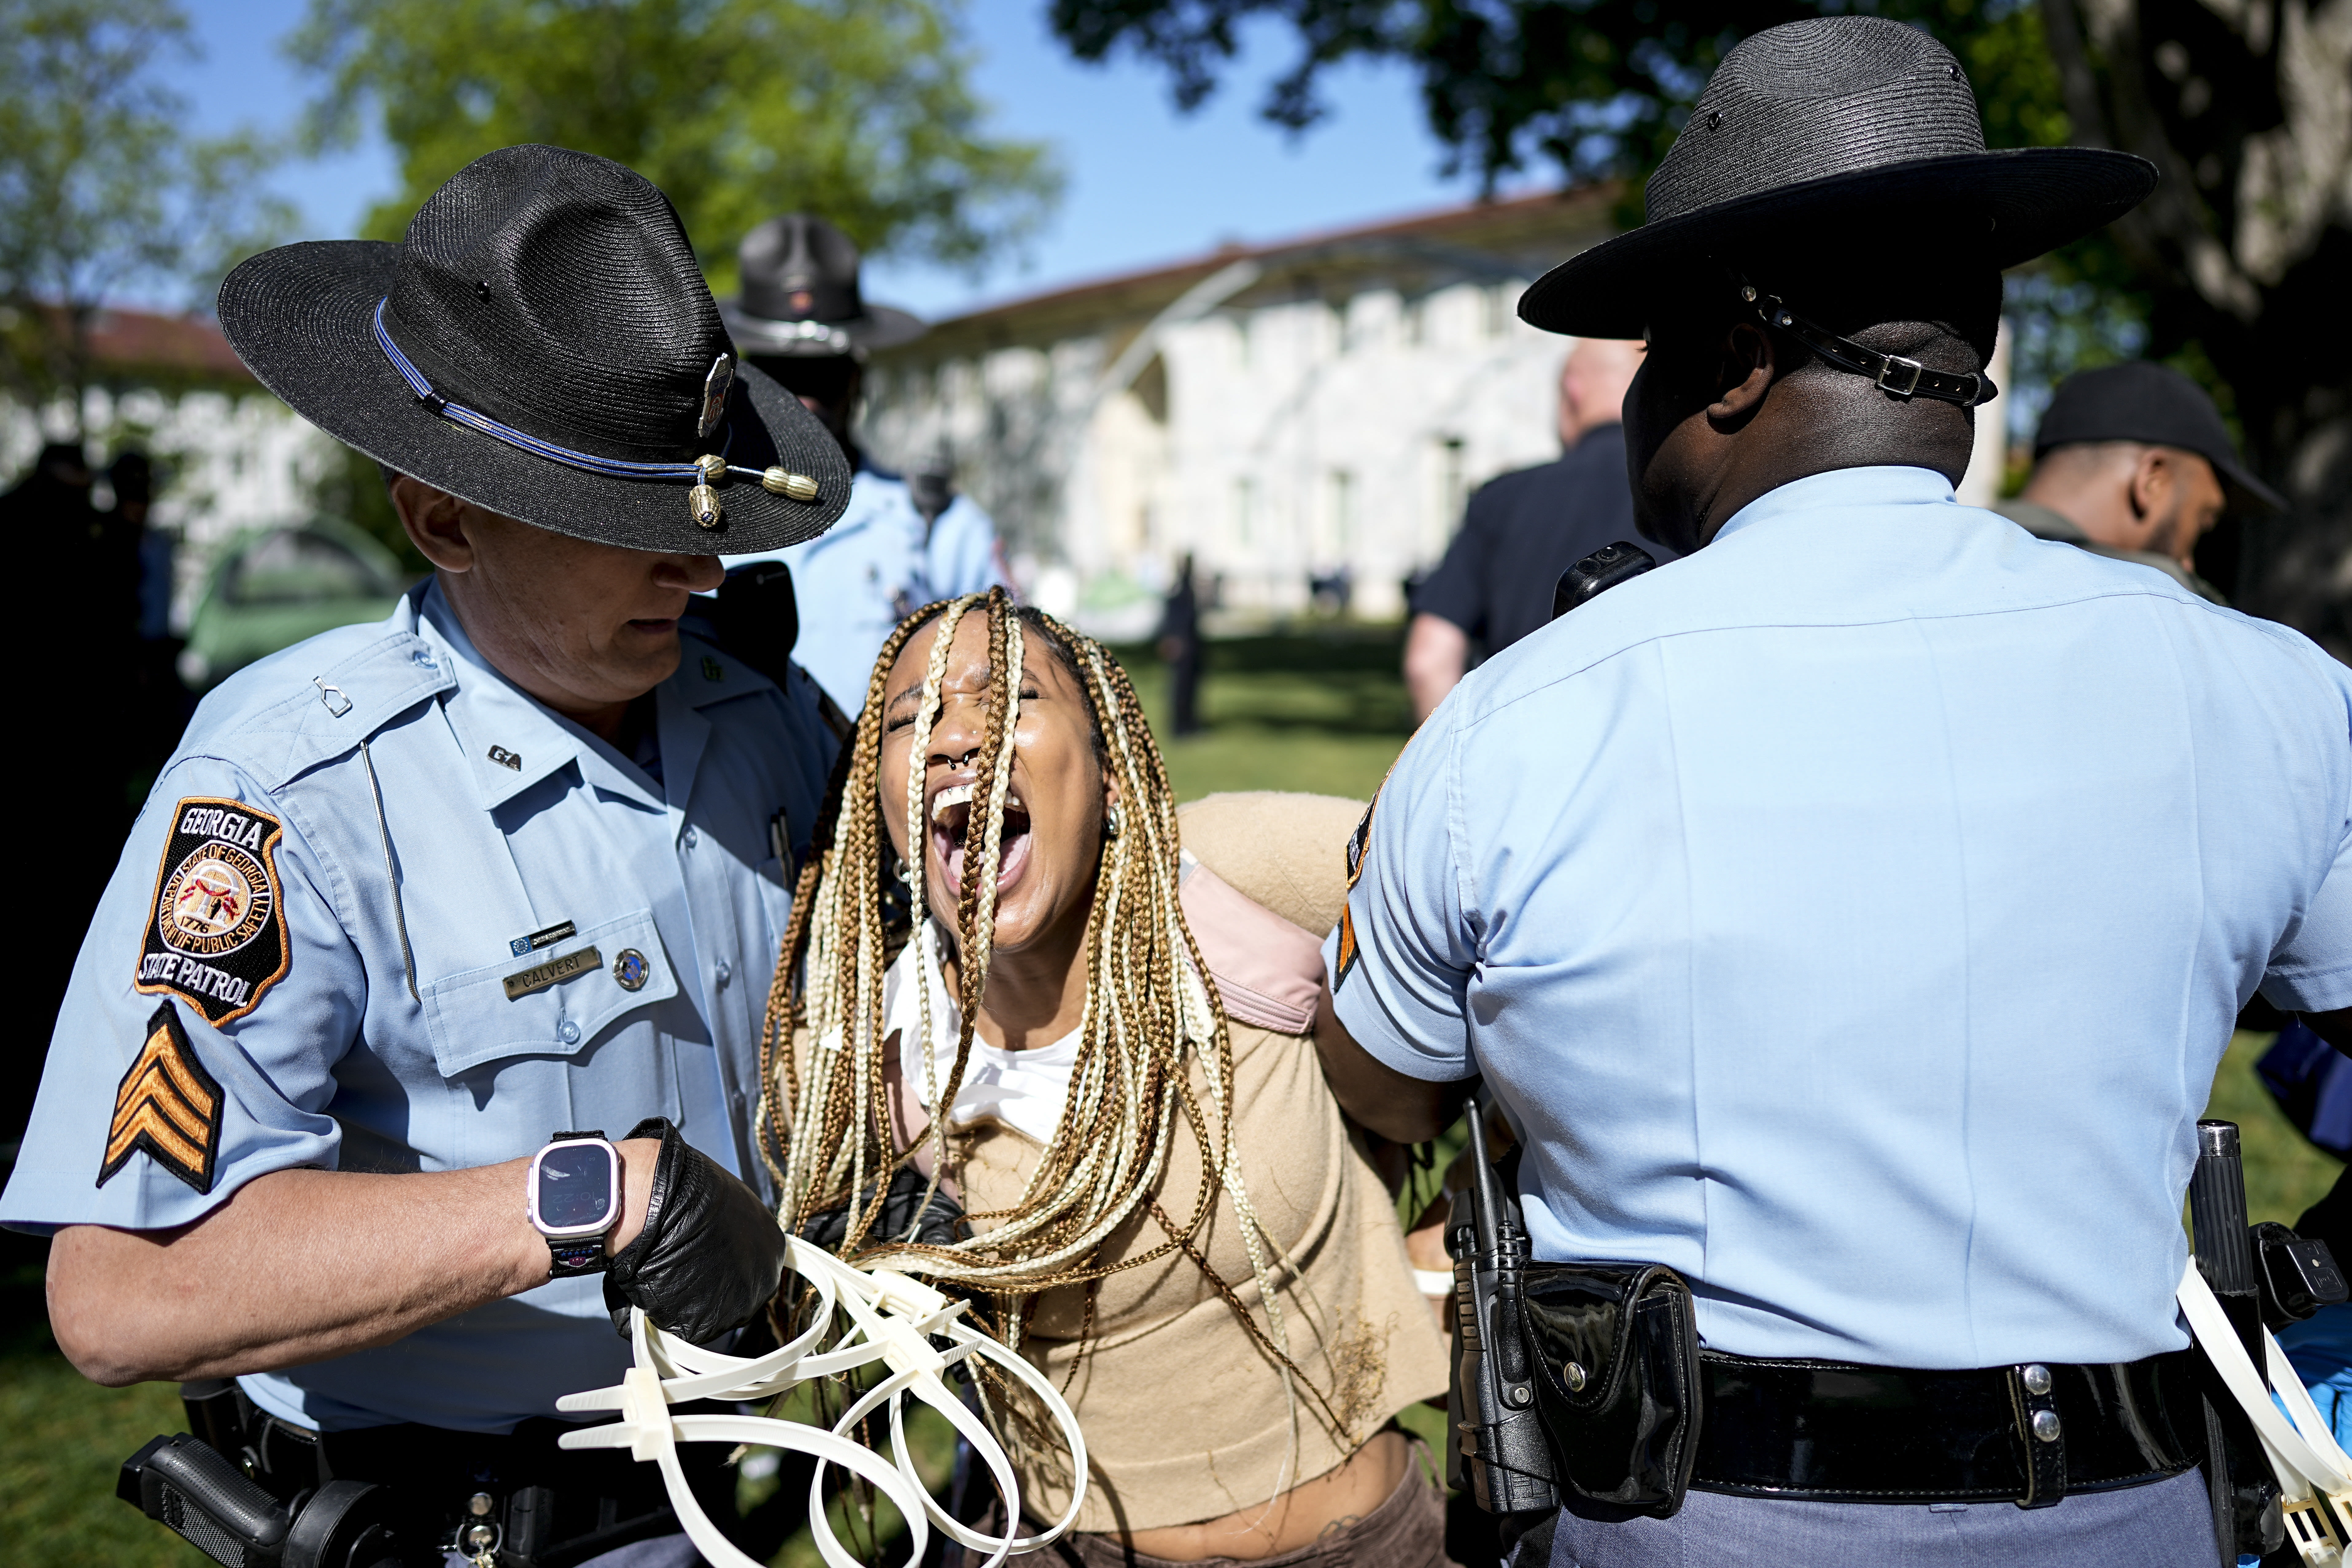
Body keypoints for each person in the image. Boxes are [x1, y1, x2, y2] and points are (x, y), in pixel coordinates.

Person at [1312, 17, 2352, 1564]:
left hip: (1683, 1522)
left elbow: (1371, 1094)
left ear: (1729, 359)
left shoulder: (1518, 722)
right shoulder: (2263, 689)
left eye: (1651, 353)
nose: (1630, 406)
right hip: (2134, 1511)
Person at [3, 145, 854, 1567]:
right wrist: (588, 1196)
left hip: (748, 1492)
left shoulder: (758, 710)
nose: (700, 569)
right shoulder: (290, 788)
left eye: (698, 515)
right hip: (460, 1532)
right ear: (443, 516)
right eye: (629, 526)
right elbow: (121, 1289)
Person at [762, 589, 1451, 1567]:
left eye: (1009, 695)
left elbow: (1513, 898)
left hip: (1365, 1545)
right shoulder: (871, 1047)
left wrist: (1458, 1216)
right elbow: (777, 1315)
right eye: (914, 716)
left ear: (1112, 770)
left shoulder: (1227, 878)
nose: (959, 734)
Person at [719, 214, 1009, 714]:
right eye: (782, 372)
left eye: (823, 372)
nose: (804, 398)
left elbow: (1006, 674)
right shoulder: (696, 508)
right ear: (746, 378)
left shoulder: (937, 522)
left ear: (857, 378)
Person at [1403, 338, 1665, 722]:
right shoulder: (1686, 495)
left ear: (1572, 390)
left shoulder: (1501, 498)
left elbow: (1429, 661)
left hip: (1521, 749)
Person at [1995, 361, 2283, 604]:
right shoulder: (2162, 604)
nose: (2188, 564)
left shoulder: (1959, 552)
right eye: (2201, 520)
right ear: (2152, 481)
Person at [1158, 551, 1204, 735]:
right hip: (1182, 646)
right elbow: (1174, 619)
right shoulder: (1179, 590)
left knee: (1191, 687)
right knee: (1181, 688)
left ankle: (1189, 722)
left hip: (1191, 646)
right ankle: (1181, 726)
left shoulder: (1187, 588)